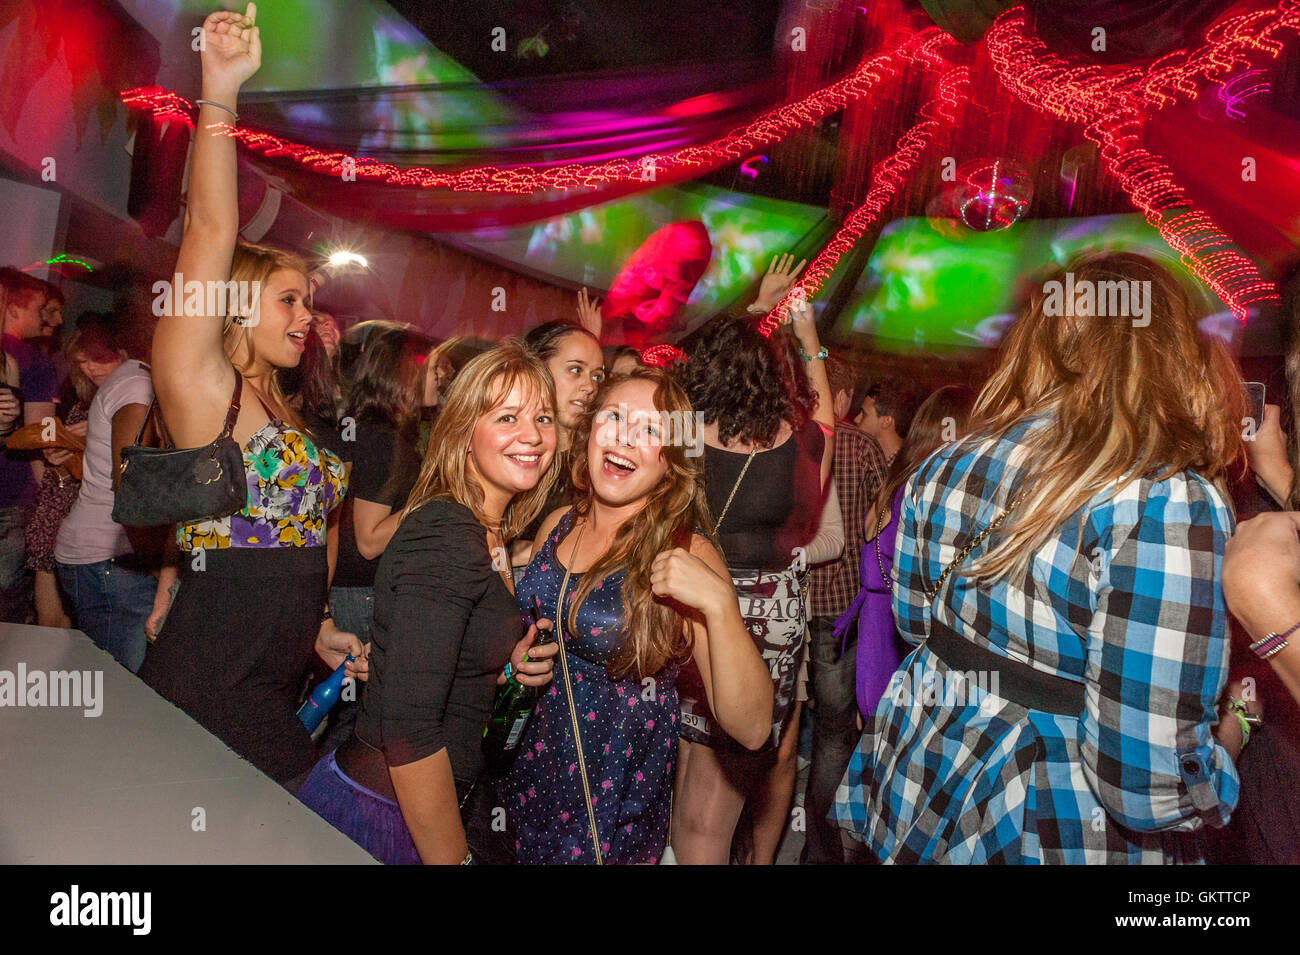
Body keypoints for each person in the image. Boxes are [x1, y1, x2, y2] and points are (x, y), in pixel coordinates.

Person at [835, 252, 1242, 864]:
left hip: (926, 782)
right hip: (1046, 818)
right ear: (1169, 350)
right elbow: (1144, 784)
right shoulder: (1167, 500)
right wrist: (1234, 738)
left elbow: (917, 627)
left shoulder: (949, 460)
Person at [137, 6, 359, 788]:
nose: (308, 318)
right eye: (288, 301)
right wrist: (221, 89)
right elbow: (208, 227)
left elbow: (293, 539)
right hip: (213, 682)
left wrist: (319, 629)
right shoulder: (207, 390)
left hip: (276, 677)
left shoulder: (286, 405)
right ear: (236, 303)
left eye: (309, 302)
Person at [298, 342, 562, 864]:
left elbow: (442, 660)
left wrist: (503, 667)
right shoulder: (446, 531)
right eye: (507, 416)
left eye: (543, 417)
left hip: (419, 811)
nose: (532, 435)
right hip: (381, 818)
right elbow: (408, 729)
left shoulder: (488, 532)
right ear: (463, 432)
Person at [507, 366, 773, 864]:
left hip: (610, 800)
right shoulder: (557, 525)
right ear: (588, 432)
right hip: (531, 771)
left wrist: (719, 605)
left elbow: (755, 727)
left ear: (671, 463)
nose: (625, 438)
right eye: (614, 417)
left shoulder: (685, 552)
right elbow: (529, 634)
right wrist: (517, 659)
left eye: (651, 431)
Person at [673, 300, 834, 865]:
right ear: (771, 374)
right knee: (721, 779)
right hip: (771, 623)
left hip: (692, 608)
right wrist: (806, 333)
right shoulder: (804, 442)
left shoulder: (679, 440)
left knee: (695, 776)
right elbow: (828, 419)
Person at [799, 354, 888, 865]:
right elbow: (883, 524)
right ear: (846, 399)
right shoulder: (861, 446)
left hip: (789, 608)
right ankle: (825, 854)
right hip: (843, 616)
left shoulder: (792, 440)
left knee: (790, 733)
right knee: (836, 735)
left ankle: (810, 847)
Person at [329, 321, 424, 645]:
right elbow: (368, 542)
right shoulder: (383, 440)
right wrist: (430, 497)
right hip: (361, 595)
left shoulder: (359, 427)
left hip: (350, 591)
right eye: (421, 366)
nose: (431, 377)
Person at [514, 320, 605, 558]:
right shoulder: (512, 452)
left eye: (597, 376)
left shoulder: (595, 463)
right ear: (537, 367)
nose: (589, 386)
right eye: (576, 370)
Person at [0, 267, 59, 623]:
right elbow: (40, 435)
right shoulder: (33, 361)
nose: (51, 318)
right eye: (42, 309)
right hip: (11, 498)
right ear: (13, 308)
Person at [856, 381, 915, 465]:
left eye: (864, 414)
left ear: (886, 421)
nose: (856, 419)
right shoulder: (870, 462)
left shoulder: (905, 470)